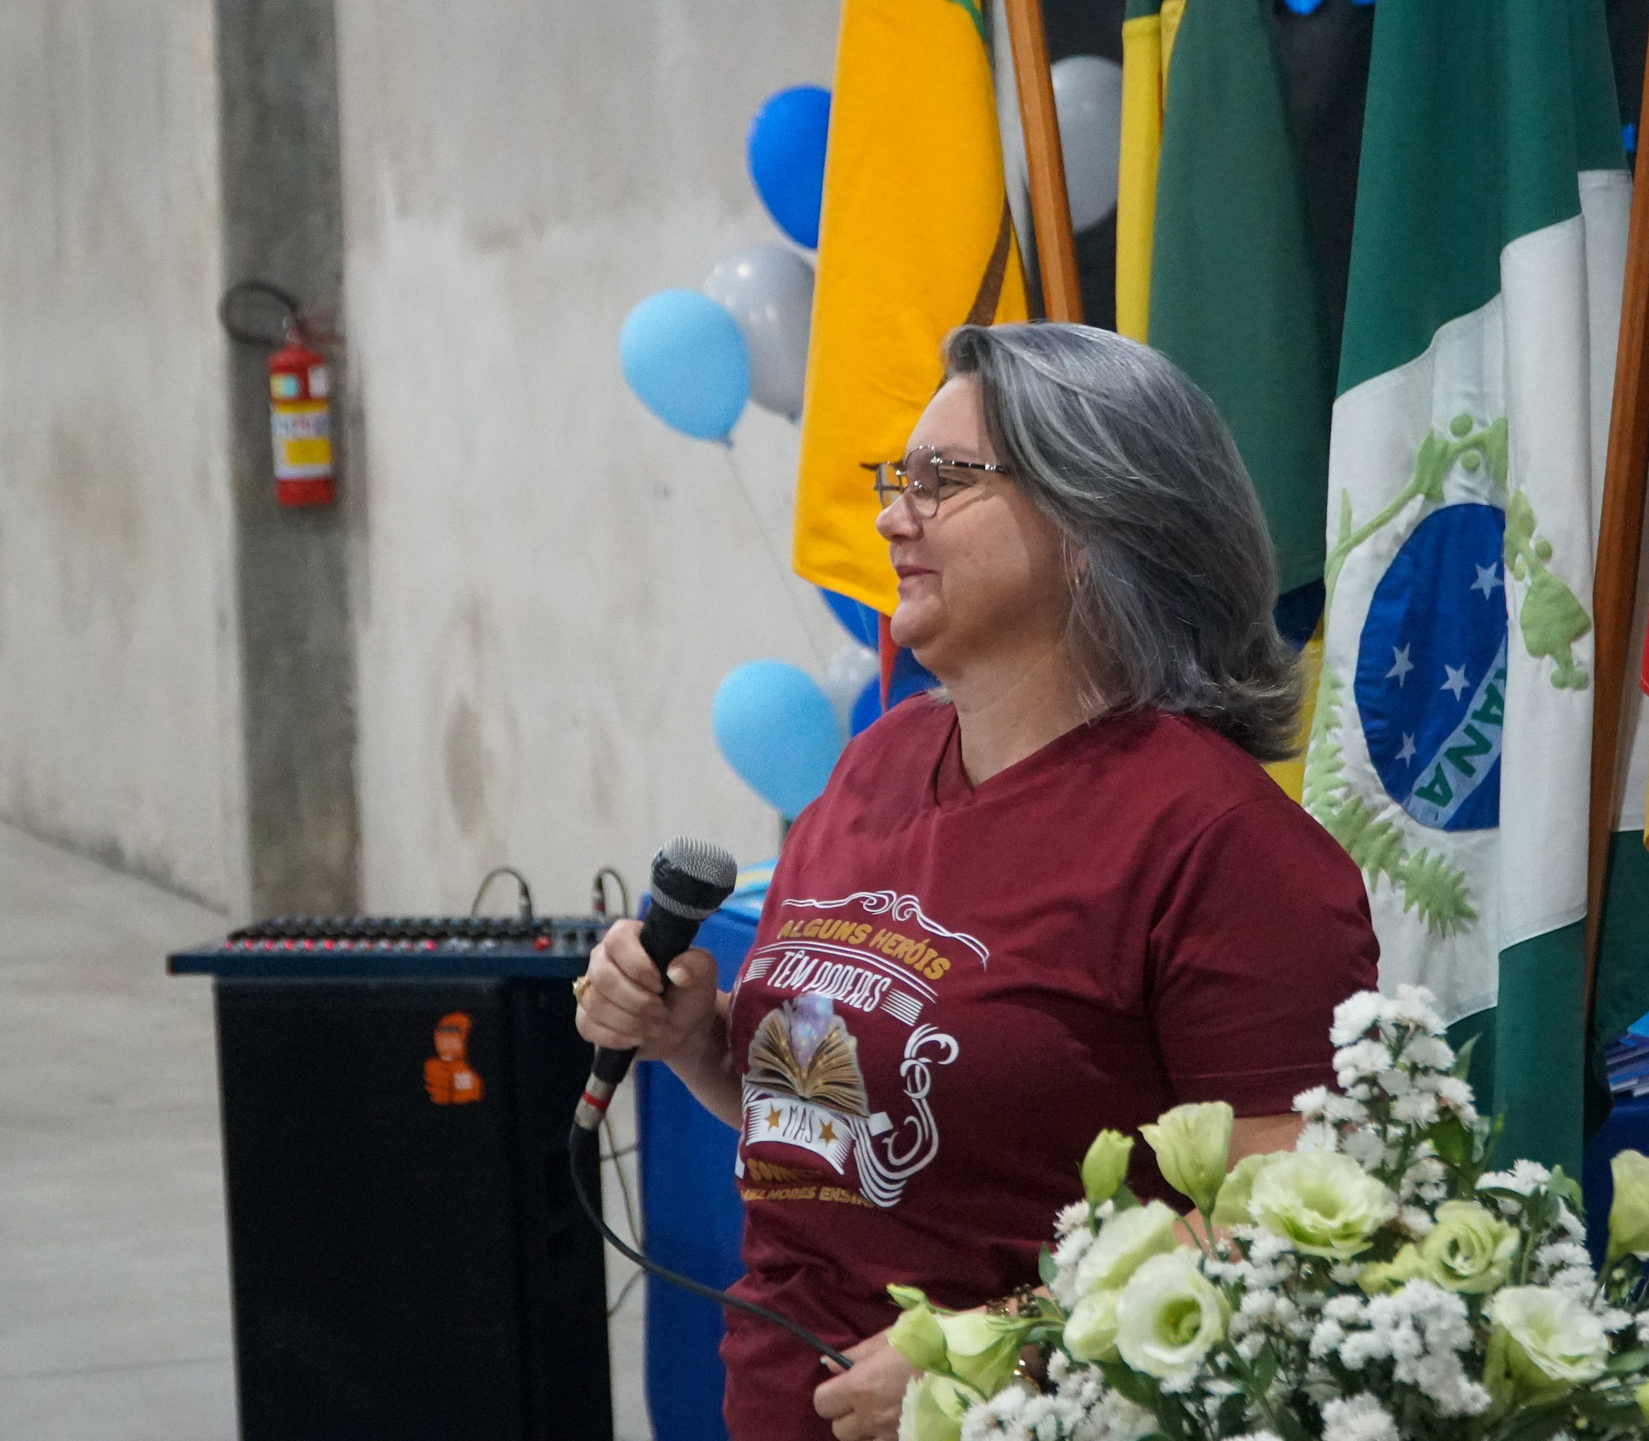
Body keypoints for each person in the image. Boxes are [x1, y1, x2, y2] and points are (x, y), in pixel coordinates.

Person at [576, 323, 1379, 1441]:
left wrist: (1000, 1349)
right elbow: (842, 1121)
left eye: (943, 481)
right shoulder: (878, 762)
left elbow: (1288, 1228)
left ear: (1099, 520)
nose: (893, 515)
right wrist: (692, 1039)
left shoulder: (1221, 845)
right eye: (895, 480)